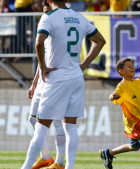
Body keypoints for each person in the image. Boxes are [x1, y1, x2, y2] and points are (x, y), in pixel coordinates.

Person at [21, 0, 106, 168]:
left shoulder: (49, 17)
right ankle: (68, 166)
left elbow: (39, 43)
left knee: (41, 127)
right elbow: (100, 41)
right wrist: (84, 65)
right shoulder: (79, 17)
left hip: (57, 77)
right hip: (76, 76)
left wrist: (44, 67)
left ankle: (26, 167)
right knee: (71, 126)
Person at [27, 1, 66, 169]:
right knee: (32, 118)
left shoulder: (60, 31)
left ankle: (60, 162)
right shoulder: (45, 31)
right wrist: (34, 83)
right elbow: (41, 61)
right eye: (44, 13)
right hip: (42, 81)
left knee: (57, 121)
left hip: (56, 80)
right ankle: (46, 157)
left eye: (47, 12)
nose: (45, 16)